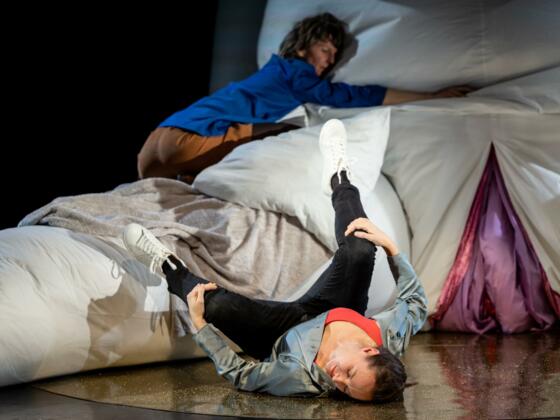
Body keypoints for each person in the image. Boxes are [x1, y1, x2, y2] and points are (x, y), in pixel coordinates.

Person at [124, 119, 427, 403]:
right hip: (336, 308)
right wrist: (390, 247)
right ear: (370, 350)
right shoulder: (390, 334)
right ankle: (339, 178)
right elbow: (416, 302)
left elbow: (243, 375)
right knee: (361, 246)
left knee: (216, 306)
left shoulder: (301, 377)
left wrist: (202, 328)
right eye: (349, 374)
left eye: (345, 390)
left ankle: (167, 267)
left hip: (280, 334)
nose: (337, 380)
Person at [137, 12, 472, 183]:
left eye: (334, 55)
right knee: (290, 135)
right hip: (188, 140)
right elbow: (352, 95)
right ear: (302, 46)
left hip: (152, 149)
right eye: (325, 50)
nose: (329, 61)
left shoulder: (274, 73)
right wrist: (431, 96)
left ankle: (190, 180)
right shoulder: (295, 73)